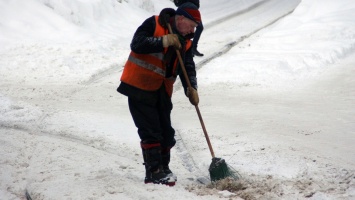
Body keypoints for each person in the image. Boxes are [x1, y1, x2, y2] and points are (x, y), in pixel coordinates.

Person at [117, 3, 201, 186]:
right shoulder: (154, 23)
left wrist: (191, 87)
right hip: (139, 86)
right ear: (181, 19)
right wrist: (164, 41)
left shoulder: (186, 40)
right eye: (192, 25)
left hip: (162, 90)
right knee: (150, 130)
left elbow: (187, 66)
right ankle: (153, 172)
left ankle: (163, 167)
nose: (193, 30)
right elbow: (137, 44)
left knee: (166, 131)